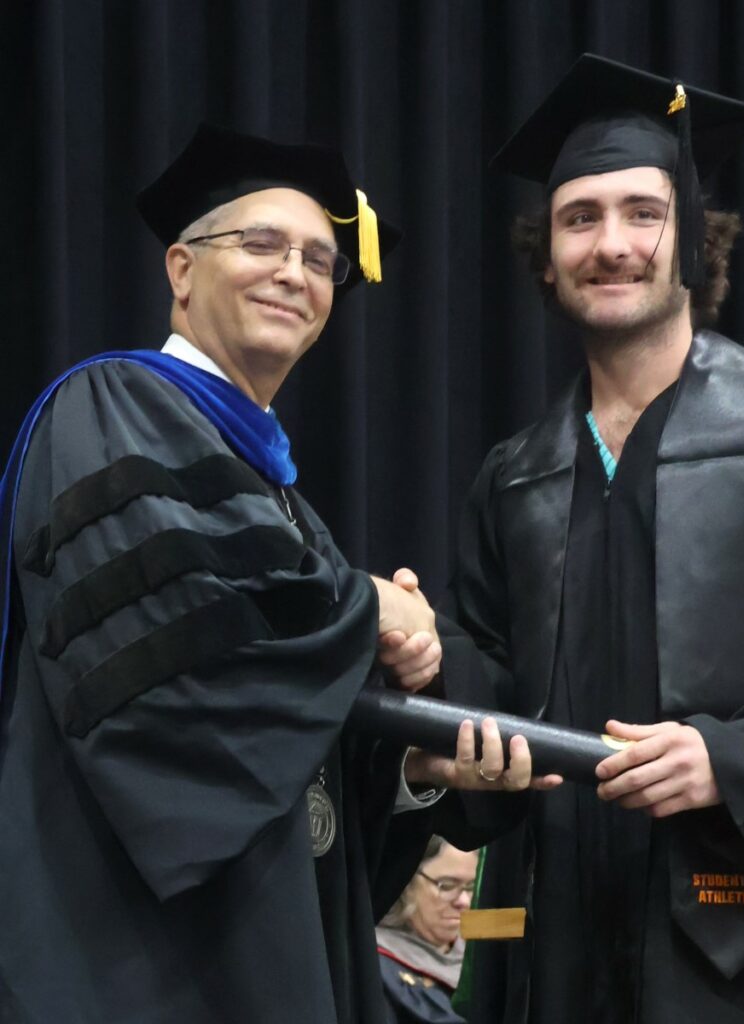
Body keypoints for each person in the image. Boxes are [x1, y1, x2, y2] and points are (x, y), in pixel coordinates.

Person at [437, 55, 744, 1024]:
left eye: (640, 213)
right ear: (545, 254)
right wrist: (428, 667)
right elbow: (492, 685)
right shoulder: (515, 477)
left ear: (691, 242)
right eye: (580, 218)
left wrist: (731, 758)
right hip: (576, 941)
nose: (609, 243)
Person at [0, 123, 521, 1024]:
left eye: (322, 261)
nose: (295, 273)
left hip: (262, 951)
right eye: (262, 243)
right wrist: (369, 607)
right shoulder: (111, 407)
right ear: (181, 269)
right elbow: (176, 676)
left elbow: (285, 735)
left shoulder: (276, 497)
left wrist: (414, 768)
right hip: (134, 959)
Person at [376, 836, 478, 1024]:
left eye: (470, 886)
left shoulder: (479, 955)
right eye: (446, 885)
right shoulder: (377, 969)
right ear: (406, 883)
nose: (464, 901)